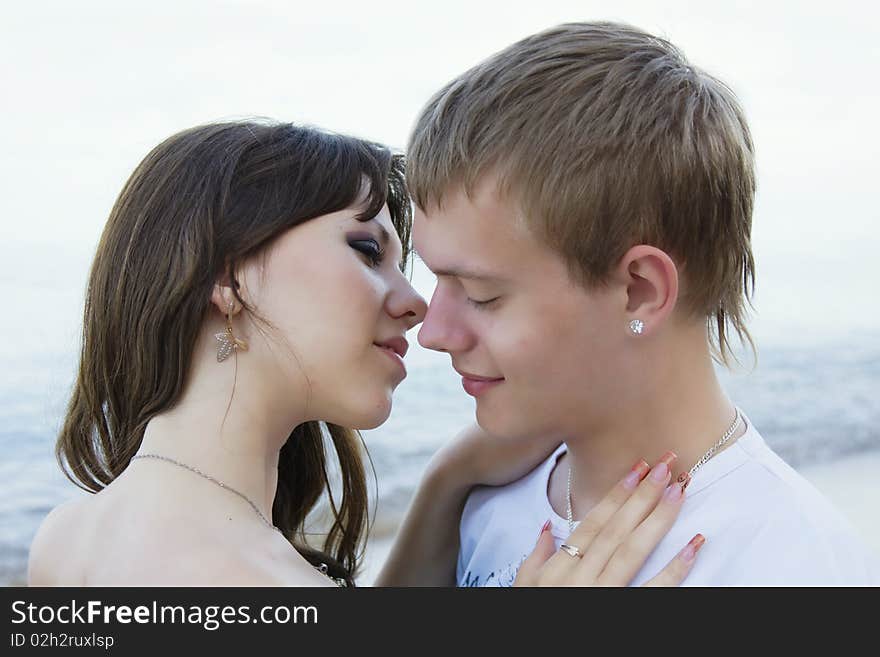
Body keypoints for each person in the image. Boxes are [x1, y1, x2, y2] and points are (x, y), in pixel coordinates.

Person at [26, 120, 700, 587]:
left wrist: (449, 478)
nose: (418, 304)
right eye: (367, 250)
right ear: (228, 277)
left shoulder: (65, 538)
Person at [406, 21, 880, 586]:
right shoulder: (483, 507)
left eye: (482, 295)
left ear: (641, 291)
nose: (432, 331)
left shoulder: (797, 565)